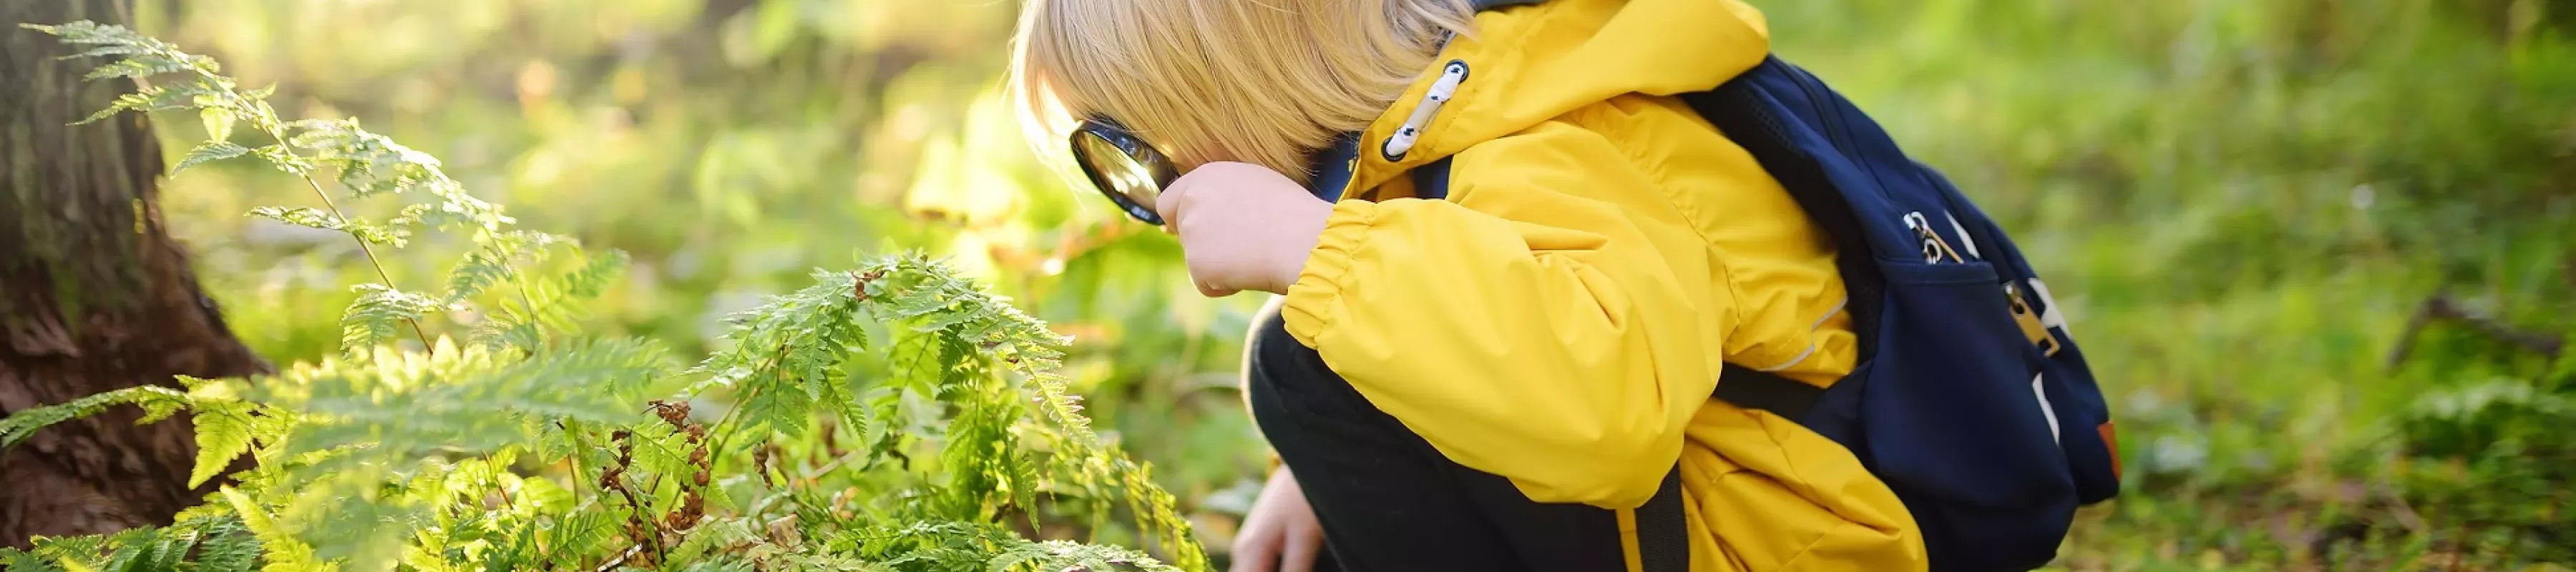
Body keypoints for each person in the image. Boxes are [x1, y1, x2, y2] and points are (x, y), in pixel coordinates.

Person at [1008, 0, 1928, 571]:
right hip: (1720, 512)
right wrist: (1340, 468)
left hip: (1790, 543)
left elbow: (1606, 414)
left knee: (1300, 363)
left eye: (1136, 153)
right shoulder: (1451, 123)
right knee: (1327, 371)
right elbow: (1484, 323)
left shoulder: (1545, 142)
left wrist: (1315, 248)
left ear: (1238, 94)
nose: (1152, 194)